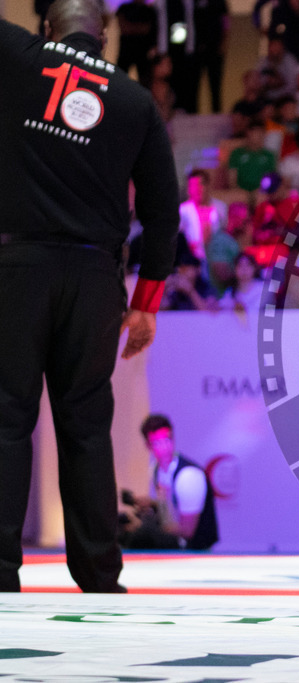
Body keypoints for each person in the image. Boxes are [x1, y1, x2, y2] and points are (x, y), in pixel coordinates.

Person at [0, 0, 179, 593]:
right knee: (85, 424)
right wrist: (146, 302)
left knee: (6, 418)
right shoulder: (134, 100)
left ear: (46, 29)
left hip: (17, 268)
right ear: (105, 38)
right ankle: (100, 574)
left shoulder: (17, 57)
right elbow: (163, 212)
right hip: (96, 278)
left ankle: (0, 571)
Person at [121, 415, 219, 550]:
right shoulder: (156, 469)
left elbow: (187, 531)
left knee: (139, 536)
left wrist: (141, 527)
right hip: (170, 542)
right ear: (148, 446)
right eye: (157, 443)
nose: (164, 448)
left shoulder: (189, 476)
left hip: (194, 550)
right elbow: (167, 510)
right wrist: (151, 503)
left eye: (167, 440)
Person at [179, 169, 228, 262]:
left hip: (216, 257)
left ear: (208, 186)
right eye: (193, 185)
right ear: (189, 189)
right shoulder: (182, 210)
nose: (198, 189)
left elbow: (224, 235)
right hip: (189, 259)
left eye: (201, 184)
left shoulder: (220, 208)